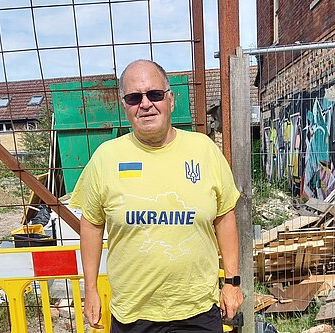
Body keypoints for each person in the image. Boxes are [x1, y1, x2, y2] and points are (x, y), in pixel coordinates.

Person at [70, 59, 243, 332]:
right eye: (134, 97)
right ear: (124, 105)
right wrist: (90, 289)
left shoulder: (204, 150)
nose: (146, 104)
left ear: (170, 100)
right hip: (134, 316)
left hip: (197, 311)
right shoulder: (106, 157)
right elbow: (91, 223)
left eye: (154, 94)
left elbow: (224, 216)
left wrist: (232, 283)